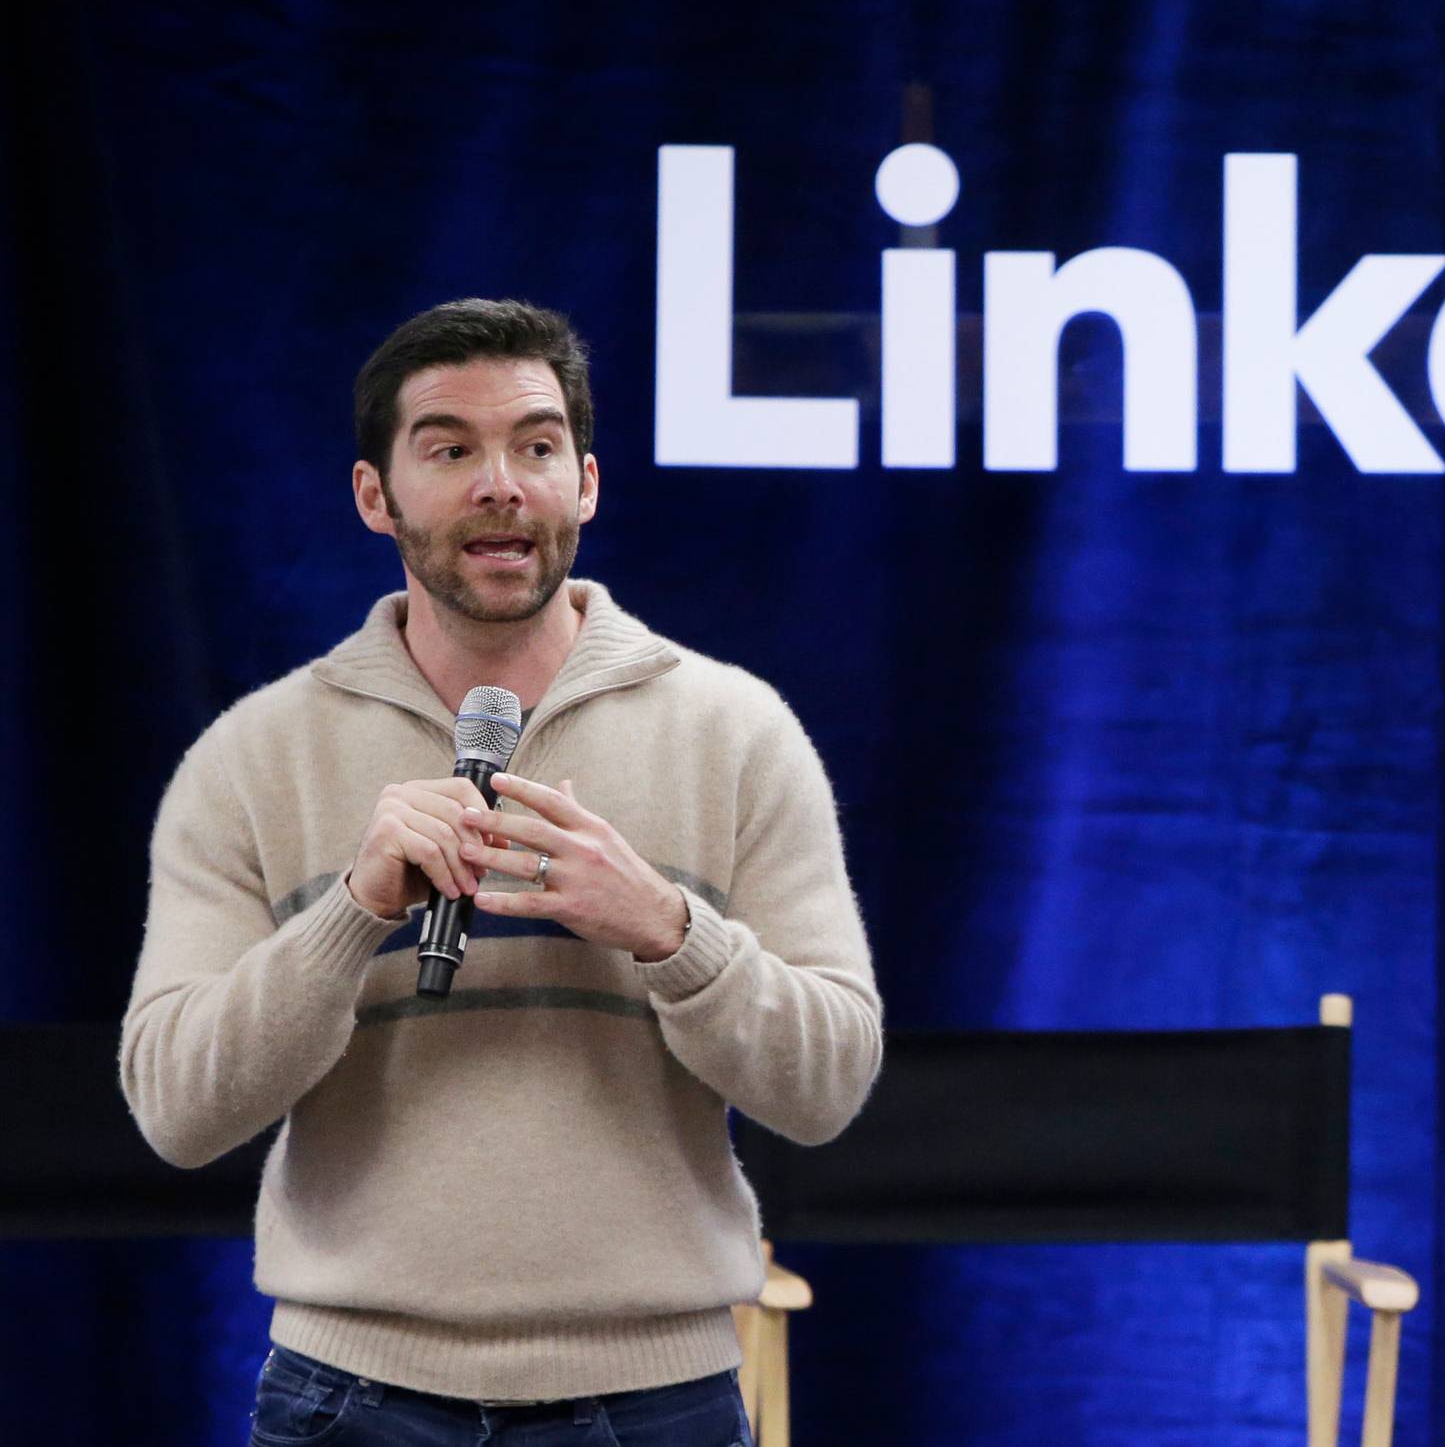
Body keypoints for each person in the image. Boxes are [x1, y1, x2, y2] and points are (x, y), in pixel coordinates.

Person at [120, 298, 884, 1445]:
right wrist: (350, 915)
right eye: (450, 450)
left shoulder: (736, 734)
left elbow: (827, 1087)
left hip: (657, 1401)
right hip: (350, 1398)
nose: (501, 485)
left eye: (535, 447)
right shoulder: (253, 759)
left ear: (586, 483)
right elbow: (177, 1111)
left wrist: (671, 931)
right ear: (374, 496)